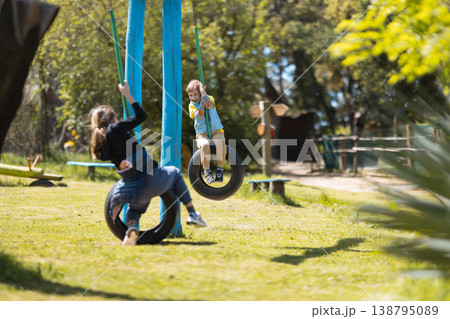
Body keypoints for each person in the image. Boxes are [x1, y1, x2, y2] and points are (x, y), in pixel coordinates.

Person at [89, 81, 207, 246]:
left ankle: (131, 228)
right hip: (151, 179)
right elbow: (141, 116)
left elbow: (103, 156)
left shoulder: (104, 140)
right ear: (113, 118)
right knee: (174, 172)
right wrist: (128, 95)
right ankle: (192, 213)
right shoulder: (116, 128)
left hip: (132, 187)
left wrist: (124, 161)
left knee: (135, 209)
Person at [187, 79, 227, 184]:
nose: (193, 98)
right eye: (190, 95)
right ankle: (207, 171)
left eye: (196, 94)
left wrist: (203, 93)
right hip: (201, 134)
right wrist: (201, 102)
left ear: (201, 93)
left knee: (220, 143)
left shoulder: (210, 98)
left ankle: (220, 169)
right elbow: (199, 116)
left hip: (216, 130)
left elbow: (208, 105)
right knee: (205, 145)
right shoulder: (191, 105)